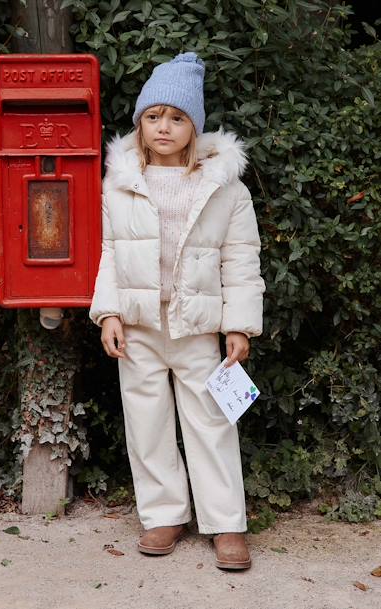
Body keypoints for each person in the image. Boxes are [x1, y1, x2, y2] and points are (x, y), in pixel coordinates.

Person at [89, 51, 265, 570]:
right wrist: (110, 313)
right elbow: (108, 252)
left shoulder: (223, 186)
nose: (163, 127)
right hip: (139, 324)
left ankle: (226, 523)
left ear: (195, 126)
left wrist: (238, 324)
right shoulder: (118, 183)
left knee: (212, 420)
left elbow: (241, 257)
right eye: (153, 116)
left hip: (195, 326)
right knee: (146, 422)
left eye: (176, 118)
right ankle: (164, 513)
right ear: (139, 123)